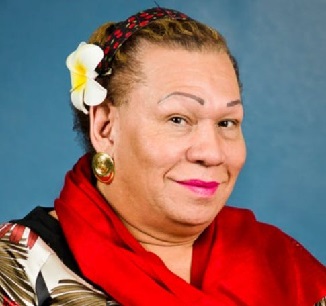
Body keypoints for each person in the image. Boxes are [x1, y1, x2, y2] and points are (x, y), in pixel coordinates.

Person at [0, 6, 325, 306]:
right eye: (178, 119)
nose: (212, 153)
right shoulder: (15, 271)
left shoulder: (284, 265)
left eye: (227, 123)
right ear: (105, 128)